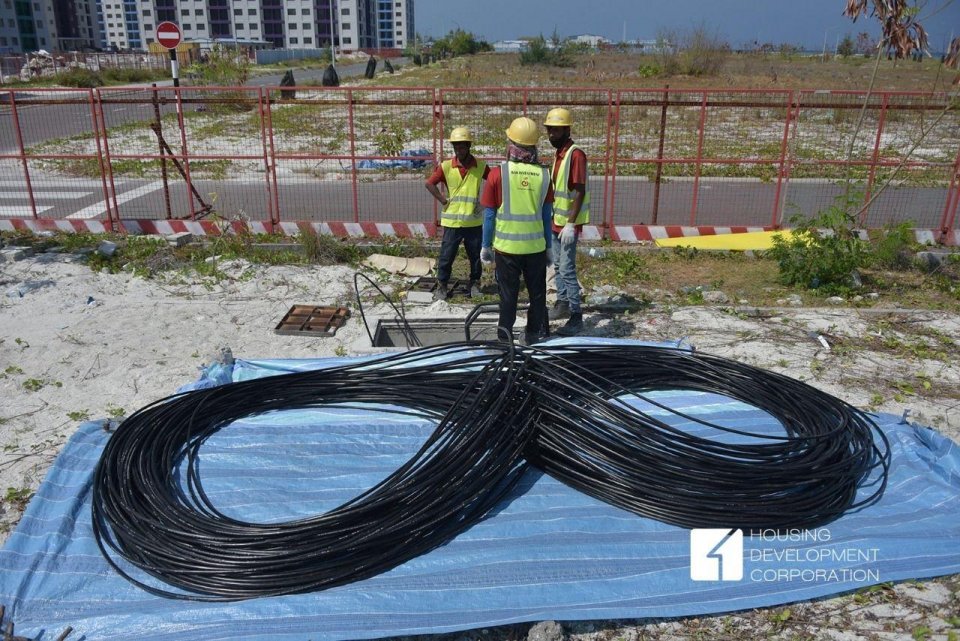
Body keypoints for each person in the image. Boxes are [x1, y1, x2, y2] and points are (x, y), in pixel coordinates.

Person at [479, 116, 554, 345]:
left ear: (511, 143)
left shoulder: (498, 174)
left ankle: (505, 337)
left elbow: (489, 215)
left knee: (508, 296)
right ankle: (532, 334)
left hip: (507, 249)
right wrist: (549, 246)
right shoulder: (543, 174)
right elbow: (545, 215)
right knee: (537, 294)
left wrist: (485, 245)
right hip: (536, 248)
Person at [424, 127, 490, 300]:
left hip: (473, 222)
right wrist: (443, 200)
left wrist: (484, 203)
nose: (459, 151)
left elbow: (494, 183)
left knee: (475, 256)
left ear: (468, 146)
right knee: (446, 256)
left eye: (462, 147)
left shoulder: (480, 166)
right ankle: (442, 285)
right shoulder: (446, 167)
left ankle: (475, 283)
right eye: (456, 147)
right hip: (452, 223)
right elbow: (430, 183)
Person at [544, 107, 590, 336]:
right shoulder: (559, 153)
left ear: (566, 129)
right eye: (549, 129)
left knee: (568, 268)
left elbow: (580, 191)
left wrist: (571, 224)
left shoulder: (575, 154)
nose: (551, 134)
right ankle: (562, 303)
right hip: (557, 220)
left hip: (567, 224)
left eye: (556, 130)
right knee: (558, 266)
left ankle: (576, 315)